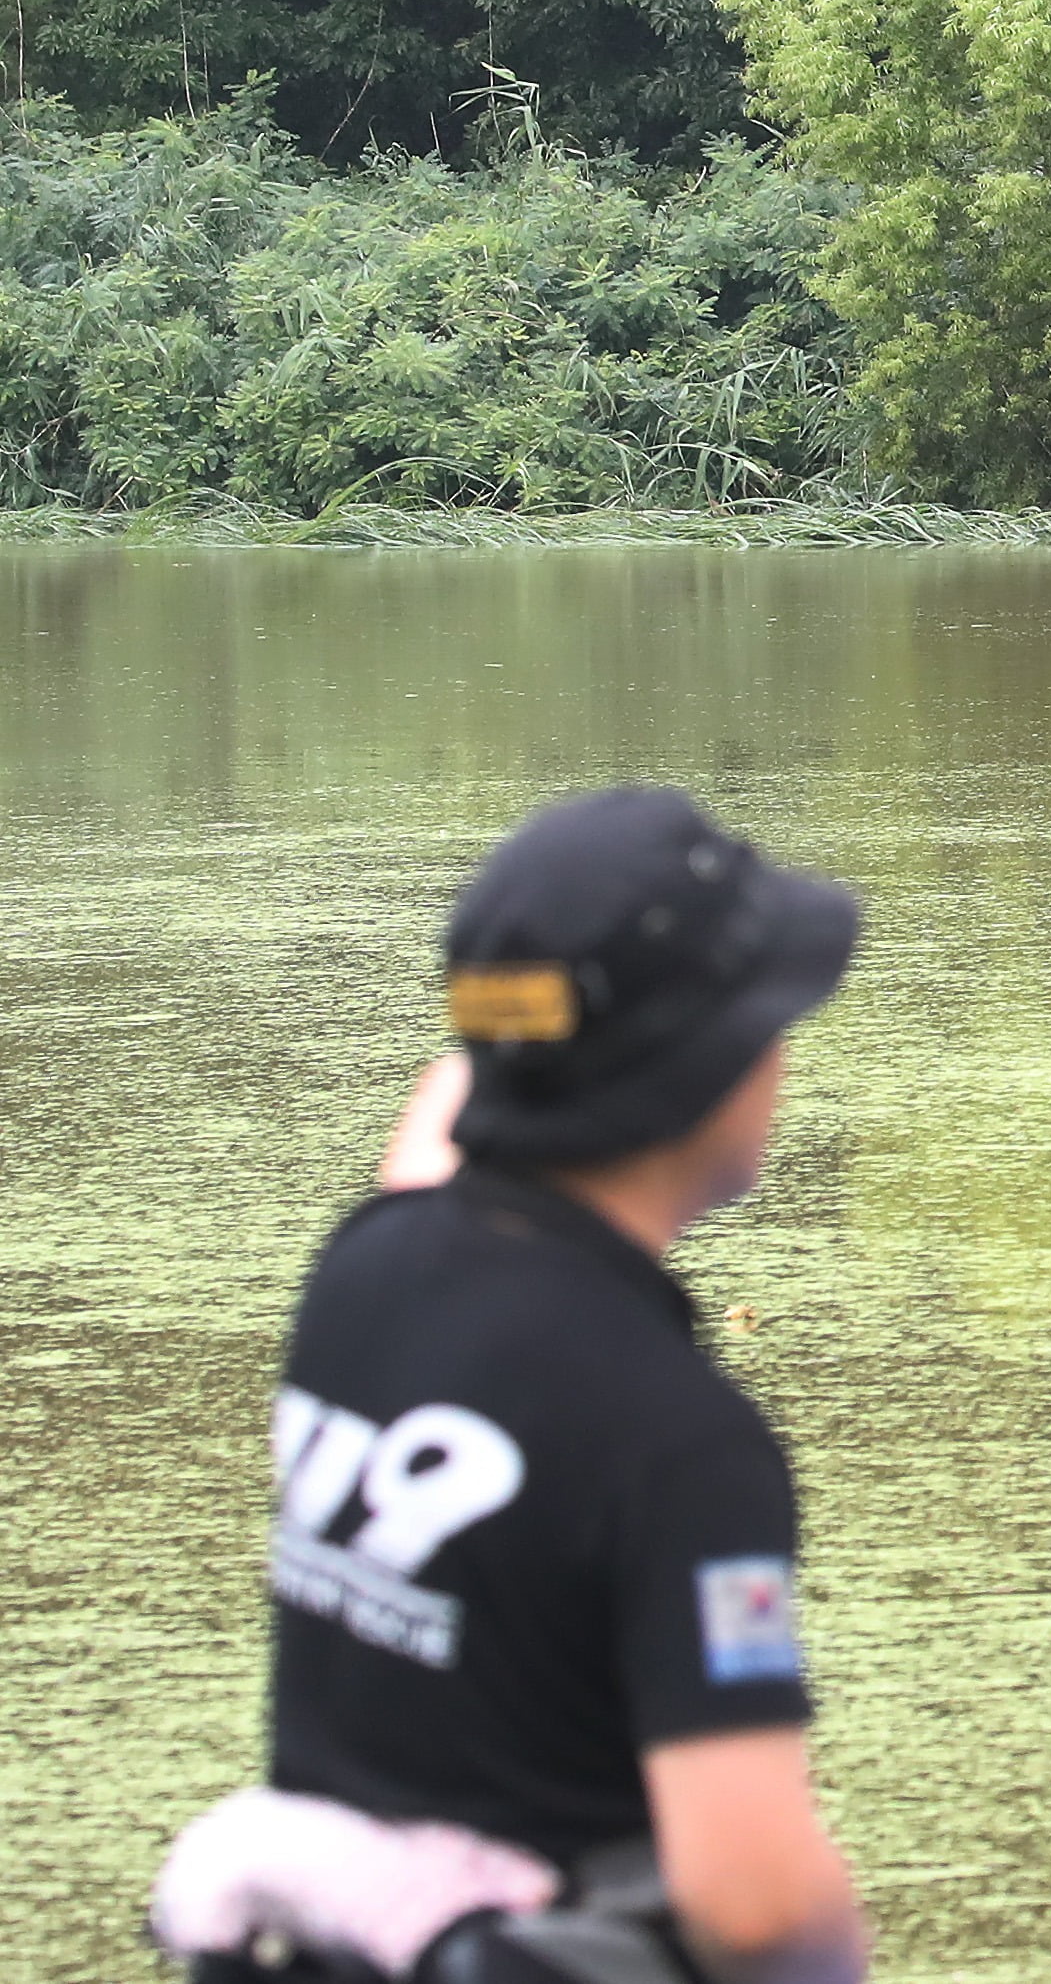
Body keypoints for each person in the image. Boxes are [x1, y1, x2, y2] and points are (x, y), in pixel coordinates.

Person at [153, 786, 873, 1984]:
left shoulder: (366, 1270)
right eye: (777, 1018)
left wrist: (554, 999)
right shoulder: (681, 1444)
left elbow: (448, 1129)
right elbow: (754, 1913)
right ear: (712, 1067)